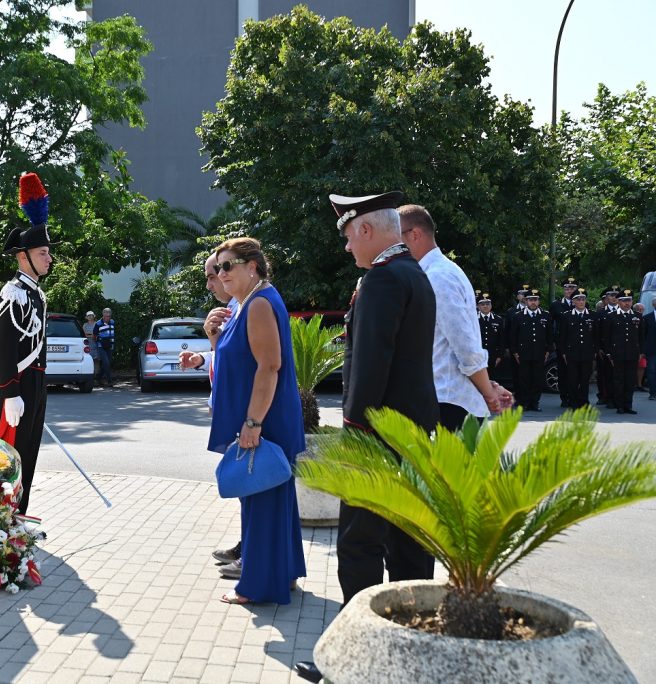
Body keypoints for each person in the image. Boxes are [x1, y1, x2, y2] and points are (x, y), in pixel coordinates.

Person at [295, 192, 440, 684]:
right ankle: (409, 647)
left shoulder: (381, 280)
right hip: (412, 430)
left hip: (375, 435)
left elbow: (372, 366)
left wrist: (353, 433)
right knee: (408, 545)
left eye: (347, 236)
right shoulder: (413, 273)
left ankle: (354, 656)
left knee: (359, 545)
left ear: (365, 230)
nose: (345, 248)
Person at [207, 237, 306, 606]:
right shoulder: (250, 300)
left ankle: (258, 587)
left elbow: (269, 366)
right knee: (273, 497)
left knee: (262, 499)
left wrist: (252, 422)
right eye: (218, 268)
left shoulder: (260, 303)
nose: (220, 273)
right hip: (266, 415)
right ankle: (285, 573)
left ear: (253, 266)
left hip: (265, 418)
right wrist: (214, 339)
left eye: (227, 265)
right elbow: (241, 358)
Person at [398, 205, 512, 427]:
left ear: (414, 235)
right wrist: (489, 386)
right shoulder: (434, 273)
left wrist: (488, 392)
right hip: (444, 401)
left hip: (450, 404)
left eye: (396, 237)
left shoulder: (439, 277)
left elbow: (465, 348)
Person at [0, 172, 54, 515]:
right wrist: (10, 391)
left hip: (36, 383)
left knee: (29, 453)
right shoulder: (13, 295)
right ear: (23, 256)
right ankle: (1, 520)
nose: (49, 259)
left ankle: (18, 514)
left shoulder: (35, 294)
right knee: (9, 456)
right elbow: (5, 348)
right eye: (43, 253)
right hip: (17, 386)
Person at [179, 252, 240, 568]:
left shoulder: (246, 307)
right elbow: (227, 355)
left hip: (244, 414)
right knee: (245, 483)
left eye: (212, 275)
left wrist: (213, 343)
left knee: (249, 481)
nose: (209, 284)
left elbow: (246, 362)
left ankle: (250, 549)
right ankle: (247, 545)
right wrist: (203, 357)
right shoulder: (231, 308)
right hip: (232, 409)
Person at [506, 289, 553, 411]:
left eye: (535, 300)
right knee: (524, 379)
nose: (533, 302)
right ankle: (524, 403)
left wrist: (548, 350)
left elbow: (550, 335)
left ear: (539, 301)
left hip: (539, 352)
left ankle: (535, 402)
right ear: (526, 301)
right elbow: (513, 336)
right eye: (531, 300)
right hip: (523, 353)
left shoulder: (545, 316)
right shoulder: (518, 316)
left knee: (537, 379)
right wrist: (515, 352)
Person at [603, 289, 645, 414]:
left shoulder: (637, 316)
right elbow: (607, 337)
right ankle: (619, 405)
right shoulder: (611, 316)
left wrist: (641, 352)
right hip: (618, 353)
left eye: (629, 300)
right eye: (624, 301)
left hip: (633, 353)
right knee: (618, 380)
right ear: (619, 302)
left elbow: (641, 336)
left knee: (630, 380)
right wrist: (609, 353)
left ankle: (628, 405)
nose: (627, 303)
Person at [556, 288, 597, 408]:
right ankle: (573, 403)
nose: (581, 301)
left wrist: (595, 350)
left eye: (583, 299)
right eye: (578, 299)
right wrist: (563, 352)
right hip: (571, 353)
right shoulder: (566, 316)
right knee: (572, 380)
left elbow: (596, 335)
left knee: (585, 380)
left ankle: (584, 403)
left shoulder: (592, 315)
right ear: (573, 301)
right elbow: (561, 336)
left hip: (587, 353)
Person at [550, 277, 580, 407]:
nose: (569, 290)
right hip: (562, 343)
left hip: (578, 343)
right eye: (567, 288)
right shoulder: (556, 305)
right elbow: (550, 325)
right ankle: (564, 398)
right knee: (563, 372)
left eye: (572, 288)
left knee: (577, 372)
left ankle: (575, 397)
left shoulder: (582, 303)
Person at [476, 292, 505, 380]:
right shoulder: (474, 319)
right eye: (482, 304)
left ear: (491, 305)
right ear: (478, 306)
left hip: (493, 355)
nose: (485, 306)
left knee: (492, 379)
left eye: (487, 304)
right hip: (478, 355)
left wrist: (500, 356)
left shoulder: (498, 319)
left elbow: (502, 339)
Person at [93, 308, 115, 387]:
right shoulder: (98, 324)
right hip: (101, 346)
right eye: (106, 316)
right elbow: (94, 336)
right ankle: (110, 381)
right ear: (103, 315)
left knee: (107, 364)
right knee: (106, 363)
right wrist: (99, 340)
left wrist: (111, 343)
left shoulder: (112, 322)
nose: (107, 317)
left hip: (109, 345)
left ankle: (97, 378)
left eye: (109, 316)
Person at [642, 305, 656, 401]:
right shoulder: (647, 318)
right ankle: (653, 393)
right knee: (651, 371)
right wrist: (643, 350)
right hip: (651, 350)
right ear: (654, 305)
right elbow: (643, 335)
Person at [83, 311, 99, 378]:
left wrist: (92, 335)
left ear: (94, 316)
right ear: (86, 317)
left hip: (96, 345)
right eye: (88, 315)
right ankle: (89, 377)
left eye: (91, 315)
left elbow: (98, 334)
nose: (90, 317)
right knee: (88, 361)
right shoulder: (85, 325)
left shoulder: (97, 324)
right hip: (87, 346)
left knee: (96, 361)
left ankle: (97, 377)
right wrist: (91, 335)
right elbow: (83, 334)